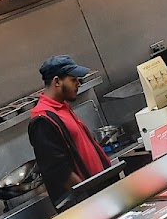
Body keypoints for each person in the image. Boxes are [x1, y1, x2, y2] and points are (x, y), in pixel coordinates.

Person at [28, 55, 112, 210]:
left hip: (100, 192)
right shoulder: (42, 119)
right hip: (87, 204)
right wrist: (90, 199)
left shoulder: (62, 107)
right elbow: (59, 171)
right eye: (73, 79)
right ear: (57, 81)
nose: (78, 83)